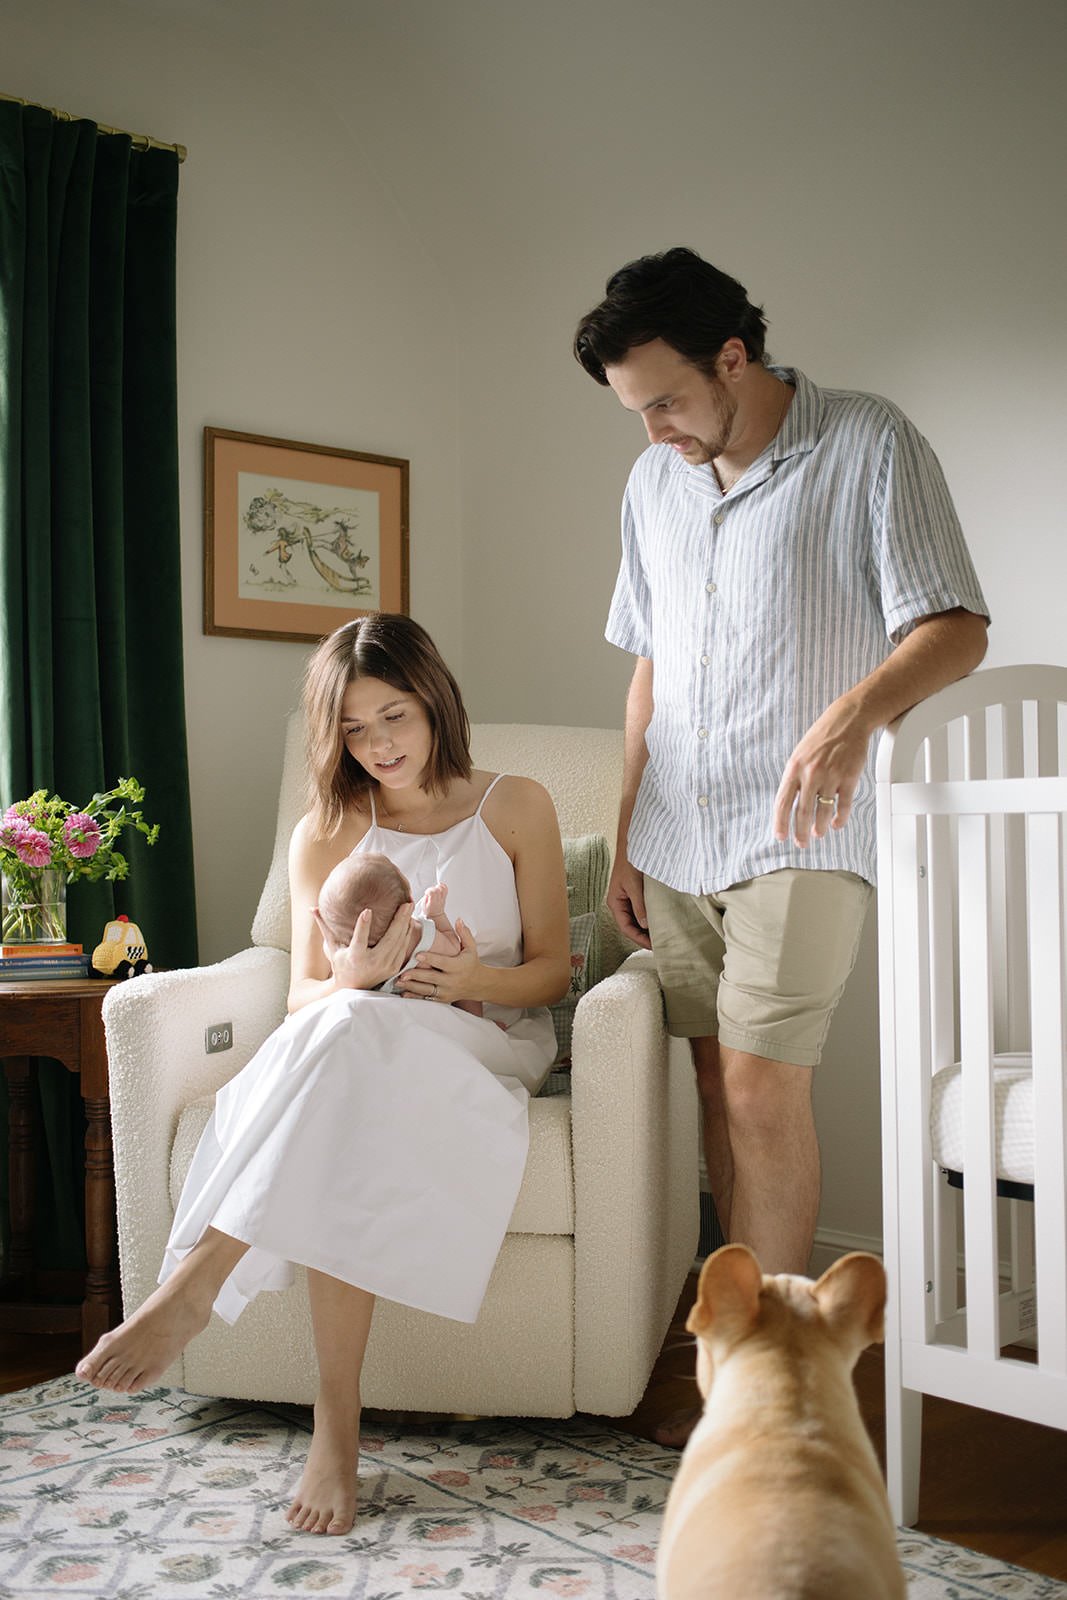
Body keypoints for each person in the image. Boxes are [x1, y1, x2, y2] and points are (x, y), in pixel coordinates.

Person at [573, 246, 990, 1445]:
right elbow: (649, 666)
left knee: (762, 1084)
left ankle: (782, 1391)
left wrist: (853, 718)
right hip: (677, 827)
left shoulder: (868, 442)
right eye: (632, 409)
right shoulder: (652, 482)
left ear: (732, 356)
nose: (652, 428)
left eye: (666, 399)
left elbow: (953, 625)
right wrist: (628, 829)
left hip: (805, 826)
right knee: (716, 1084)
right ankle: (733, 1371)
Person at [75, 612, 570, 1534]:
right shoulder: (329, 829)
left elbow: (551, 974)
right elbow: (304, 994)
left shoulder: (516, 806)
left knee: (350, 1039)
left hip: (488, 1039)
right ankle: (334, 1428)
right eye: (353, 728)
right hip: (360, 1043)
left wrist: (469, 980)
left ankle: (199, 1284)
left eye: (395, 716)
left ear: (435, 702)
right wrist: (351, 979)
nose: (379, 745)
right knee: (348, 1041)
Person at [315, 849, 485, 1017]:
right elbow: (455, 956)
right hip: (427, 1021)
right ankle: (478, 1024)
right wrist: (436, 915)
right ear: (409, 903)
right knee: (469, 1003)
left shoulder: (344, 956)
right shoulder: (422, 937)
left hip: (372, 1019)